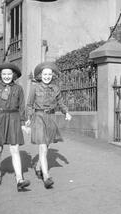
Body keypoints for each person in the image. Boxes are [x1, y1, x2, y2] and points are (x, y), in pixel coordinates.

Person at [26, 61, 72, 189]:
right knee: (43, 148)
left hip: (51, 118)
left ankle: (38, 166)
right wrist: (28, 118)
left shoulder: (55, 88)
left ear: (53, 75)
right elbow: (29, 104)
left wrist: (66, 112)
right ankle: (46, 176)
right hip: (39, 117)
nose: (47, 76)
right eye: (45, 74)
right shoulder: (35, 87)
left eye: (49, 74)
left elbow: (61, 103)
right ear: (41, 75)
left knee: (46, 145)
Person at [0, 62, 30, 191]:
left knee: (14, 149)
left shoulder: (18, 89)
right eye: (4, 74)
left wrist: (24, 123)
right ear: (0, 75)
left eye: (9, 74)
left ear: (14, 75)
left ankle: (19, 179)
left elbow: (22, 107)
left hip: (14, 119)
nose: (6, 76)